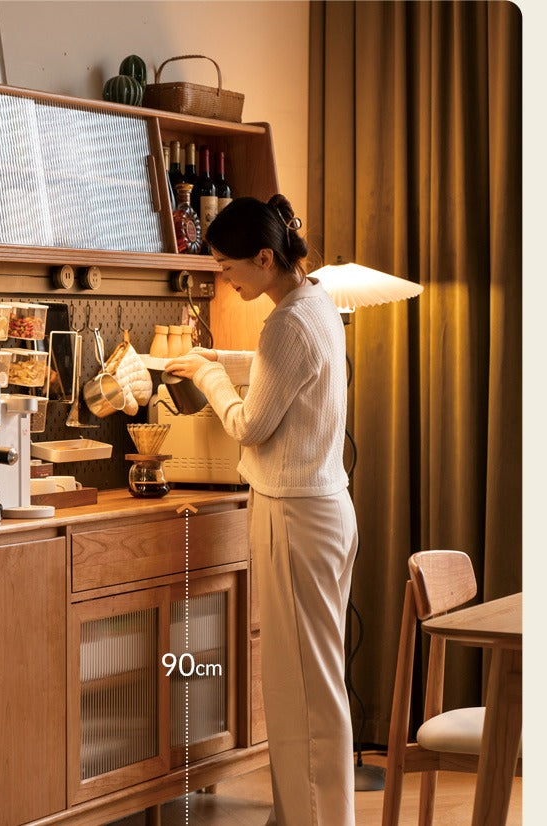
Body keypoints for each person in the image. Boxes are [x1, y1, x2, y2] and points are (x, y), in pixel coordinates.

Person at [165, 195, 358, 825]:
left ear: (264, 258)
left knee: (300, 686)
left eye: (228, 267)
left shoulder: (285, 324)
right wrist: (217, 360)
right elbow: (287, 375)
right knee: (315, 680)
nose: (225, 278)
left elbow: (251, 426)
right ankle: (300, 813)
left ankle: (314, 819)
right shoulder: (316, 302)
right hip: (327, 509)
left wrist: (209, 379)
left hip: (294, 517)